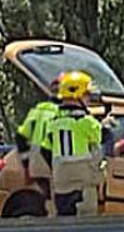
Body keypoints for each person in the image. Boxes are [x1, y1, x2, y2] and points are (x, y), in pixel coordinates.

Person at [40, 71, 104, 219]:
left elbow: (46, 151)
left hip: (60, 182)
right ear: (78, 94)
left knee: (64, 221)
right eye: (87, 95)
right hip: (83, 183)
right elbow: (99, 145)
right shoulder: (88, 123)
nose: (88, 99)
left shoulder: (52, 124)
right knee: (86, 222)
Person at [15, 73, 62, 198]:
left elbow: (21, 137)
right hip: (55, 164)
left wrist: (26, 166)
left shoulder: (37, 111)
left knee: (45, 201)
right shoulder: (63, 114)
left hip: (36, 164)